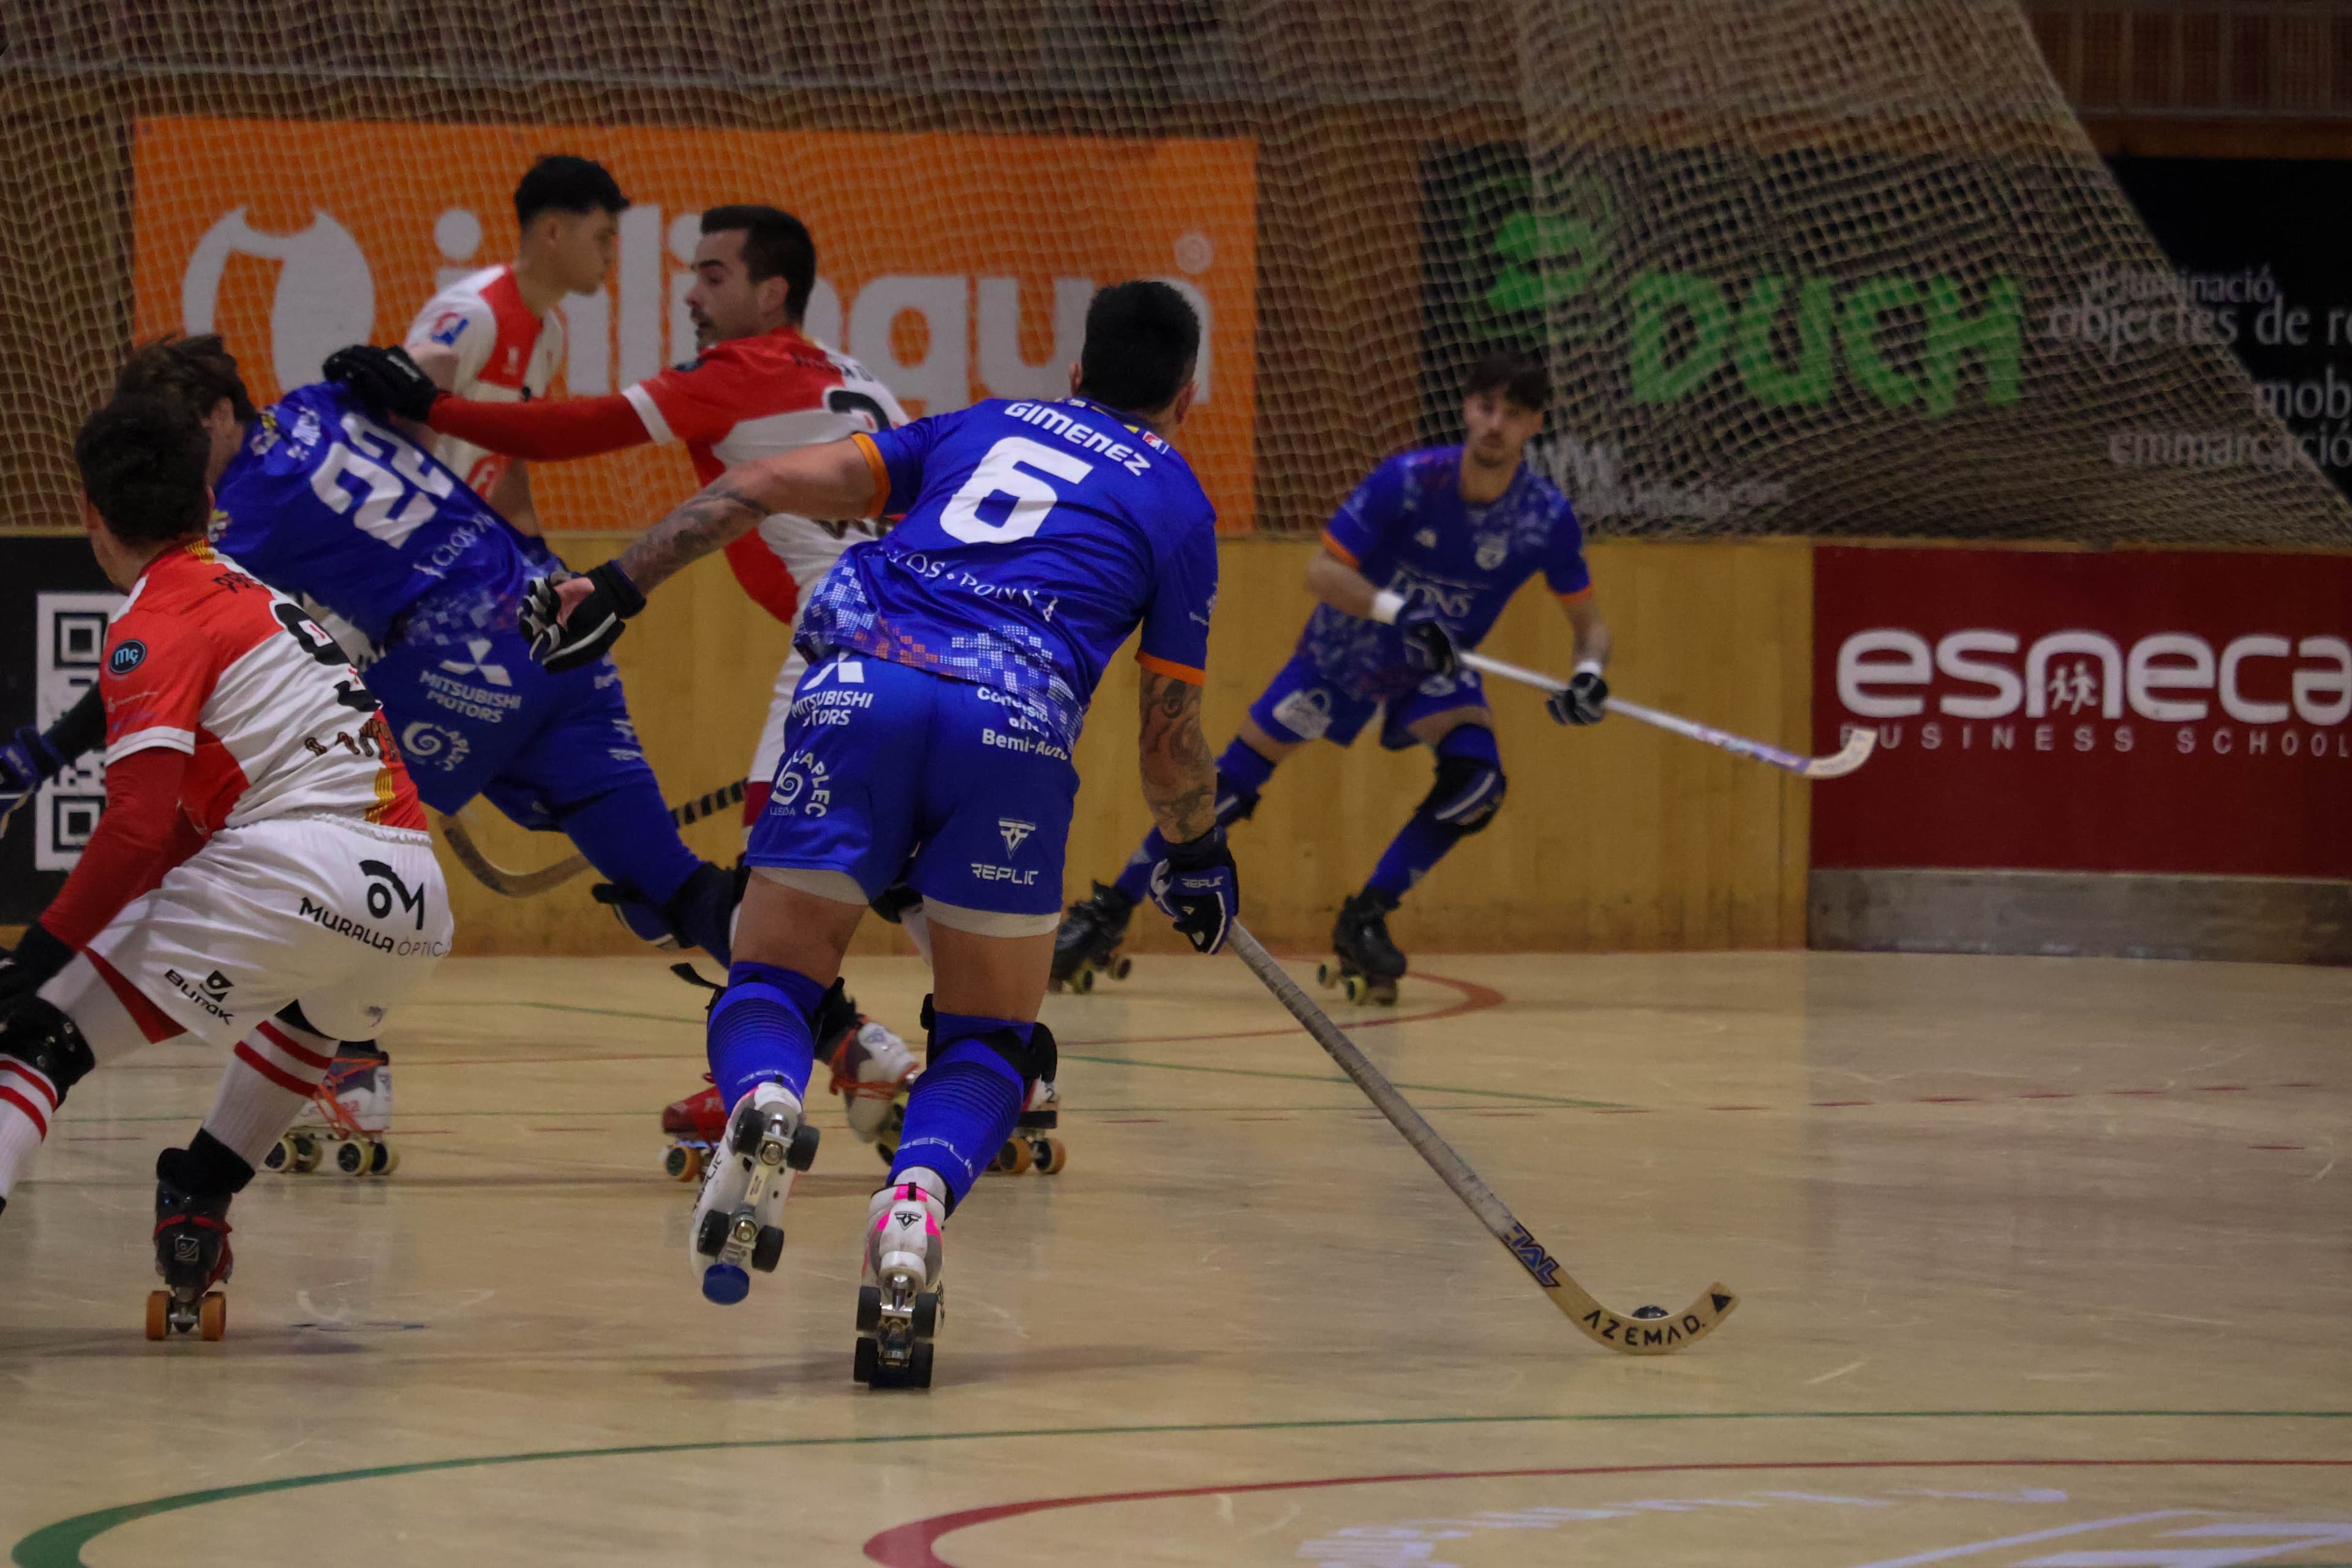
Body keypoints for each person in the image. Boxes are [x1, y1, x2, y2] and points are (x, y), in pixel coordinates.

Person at [519, 281, 1235, 1386]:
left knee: (775, 977)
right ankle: (912, 1206)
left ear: (1078, 372)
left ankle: (762, 1099)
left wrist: (615, 584)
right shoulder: (1181, 506)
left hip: (862, 690)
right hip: (1012, 728)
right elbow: (1169, 741)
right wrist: (1194, 855)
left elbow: (756, 484)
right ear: (1186, 398)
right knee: (991, 1044)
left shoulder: (983, 424)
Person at [330, 205, 922, 1152]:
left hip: (843, 637)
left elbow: (582, 427)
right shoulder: (856, 378)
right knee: (908, 864)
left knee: (774, 871)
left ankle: (770, 1077)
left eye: (715, 275)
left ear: (772, 293)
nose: (691, 291)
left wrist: (431, 407)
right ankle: (997, 1066)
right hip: (940, 632)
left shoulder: (741, 372)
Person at [0, 396, 448, 1338]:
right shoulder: (259, 597)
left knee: (34, 1038)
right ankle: (200, 1194)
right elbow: (171, 835)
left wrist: (32, 964)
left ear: (90, 513)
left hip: (297, 867)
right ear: (208, 499)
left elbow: (134, 829)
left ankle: (188, 1178)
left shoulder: (153, 622)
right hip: (414, 899)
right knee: (308, 1006)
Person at [95, 334, 743, 970]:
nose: (172, 462)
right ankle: (836, 1035)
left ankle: (347, 1054)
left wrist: (47, 751)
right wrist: (406, 375)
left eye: (178, 439)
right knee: (678, 886)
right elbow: (434, 368)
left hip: (461, 652)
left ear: (218, 414)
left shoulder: (238, 512)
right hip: (556, 617)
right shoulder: (319, 401)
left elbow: (159, 652)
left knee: (298, 816)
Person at [1056, 350, 1611, 1005]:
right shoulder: (1408, 482)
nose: (1494, 425)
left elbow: (1590, 627)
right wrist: (1399, 610)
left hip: (1428, 674)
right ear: (1466, 408)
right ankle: (1108, 913)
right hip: (1342, 656)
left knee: (1478, 784)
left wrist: (1588, 675)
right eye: (1486, 407)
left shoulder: (1545, 519)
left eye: (1512, 415)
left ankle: (1366, 916)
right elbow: (1322, 571)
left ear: (1534, 424)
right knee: (1226, 789)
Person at [403, 154, 626, 538]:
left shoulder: (550, 335)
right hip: (406, 545)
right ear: (553, 232)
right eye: (602, 238)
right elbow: (400, 439)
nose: (610, 254)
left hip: (456, 549)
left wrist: (535, 553)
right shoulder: (472, 315)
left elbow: (505, 456)